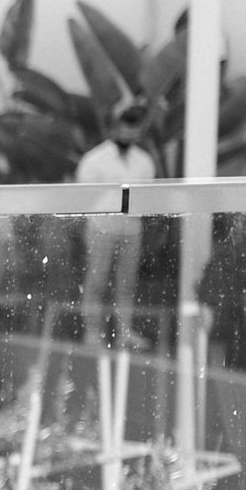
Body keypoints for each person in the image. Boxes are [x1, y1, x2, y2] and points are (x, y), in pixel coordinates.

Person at [75, 102, 154, 345]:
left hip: (132, 227)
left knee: (127, 282)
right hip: (102, 226)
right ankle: (92, 331)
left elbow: (148, 195)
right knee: (97, 279)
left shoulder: (144, 161)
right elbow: (84, 195)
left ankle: (124, 331)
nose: (127, 134)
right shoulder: (94, 160)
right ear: (114, 128)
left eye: (133, 129)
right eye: (124, 127)